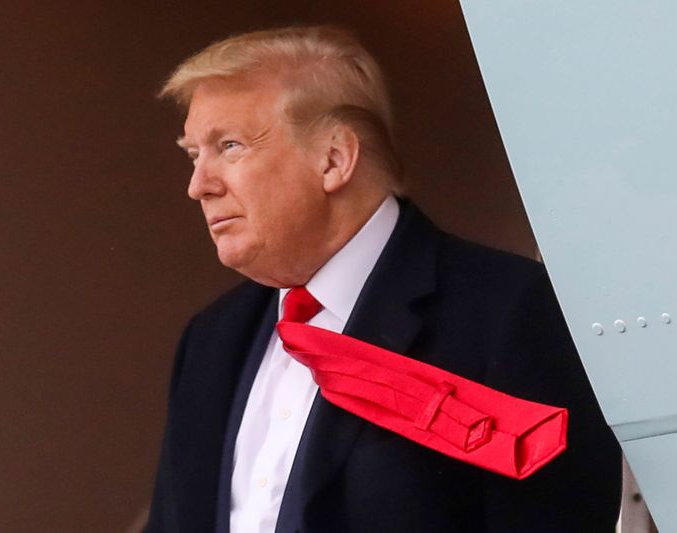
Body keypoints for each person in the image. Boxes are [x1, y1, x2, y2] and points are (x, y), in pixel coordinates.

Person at [146, 26, 621, 532]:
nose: (199, 186)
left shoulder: (512, 310)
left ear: (334, 159)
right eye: (195, 155)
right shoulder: (210, 339)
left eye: (231, 146)